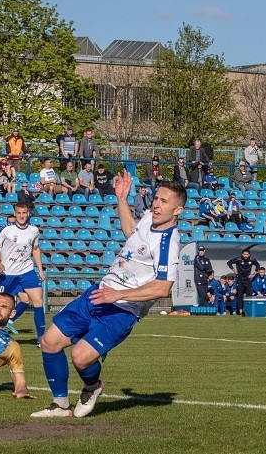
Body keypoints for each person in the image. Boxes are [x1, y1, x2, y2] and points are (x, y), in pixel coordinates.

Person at [31, 175, 186, 418]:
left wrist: (118, 295)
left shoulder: (169, 242)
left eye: (164, 201)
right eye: (156, 198)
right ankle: (60, 406)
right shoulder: (149, 219)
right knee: (49, 342)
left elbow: (162, 288)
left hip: (123, 309)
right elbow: (129, 232)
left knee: (80, 358)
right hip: (100, 292)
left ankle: (92, 387)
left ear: (177, 209)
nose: (156, 204)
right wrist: (122, 199)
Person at [0, 202, 46, 342]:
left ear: (28, 214)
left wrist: (40, 269)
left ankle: (42, 339)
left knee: (38, 301)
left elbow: (36, 249)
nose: (21, 216)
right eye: (19, 213)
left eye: (24, 213)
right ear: (15, 214)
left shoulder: (34, 230)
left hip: (27, 271)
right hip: (8, 273)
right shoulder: (6, 230)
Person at [226, 249, 260, 316]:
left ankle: (248, 310)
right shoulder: (238, 259)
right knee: (240, 296)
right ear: (242, 254)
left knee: (249, 296)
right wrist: (234, 270)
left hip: (247, 280)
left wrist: (253, 274)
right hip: (240, 280)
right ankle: (240, 311)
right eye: (244, 254)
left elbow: (258, 265)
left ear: (249, 255)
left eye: (247, 254)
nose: (245, 256)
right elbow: (229, 263)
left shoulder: (252, 259)